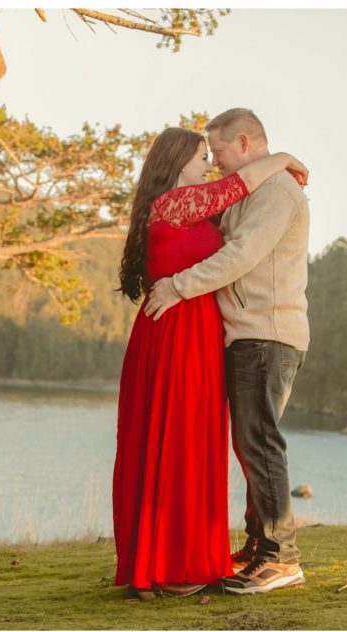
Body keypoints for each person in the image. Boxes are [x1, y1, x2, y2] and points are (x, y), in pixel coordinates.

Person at [113, 125, 308, 601]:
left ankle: (169, 562)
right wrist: (283, 156)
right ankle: (172, 566)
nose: (210, 165)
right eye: (203, 156)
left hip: (195, 333)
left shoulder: (185, 208)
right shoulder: (177, 204)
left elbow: (240, 222)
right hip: (179, 335)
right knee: (178, 444)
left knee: (188, 443)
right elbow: (237, 186)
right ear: (179, 161)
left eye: (212, 154)